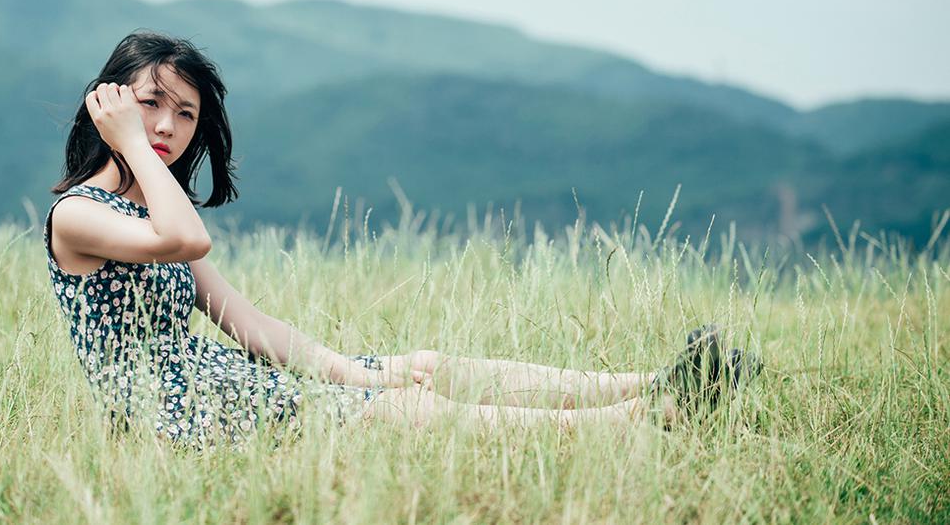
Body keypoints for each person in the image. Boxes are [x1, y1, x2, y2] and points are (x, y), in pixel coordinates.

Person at [43, 31, 760, 450]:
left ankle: (651, 385)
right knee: (409, 411)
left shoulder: (150, 209)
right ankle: (641, 422)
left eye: (185, 113)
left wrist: (352, 370)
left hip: (222, 382)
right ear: (110, 107)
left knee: (421, 369)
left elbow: (251, 326)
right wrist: (129, 143)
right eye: (151, 105)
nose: (167, 126)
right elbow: (186, 238)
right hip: (168, 413)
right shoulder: (77, 216)